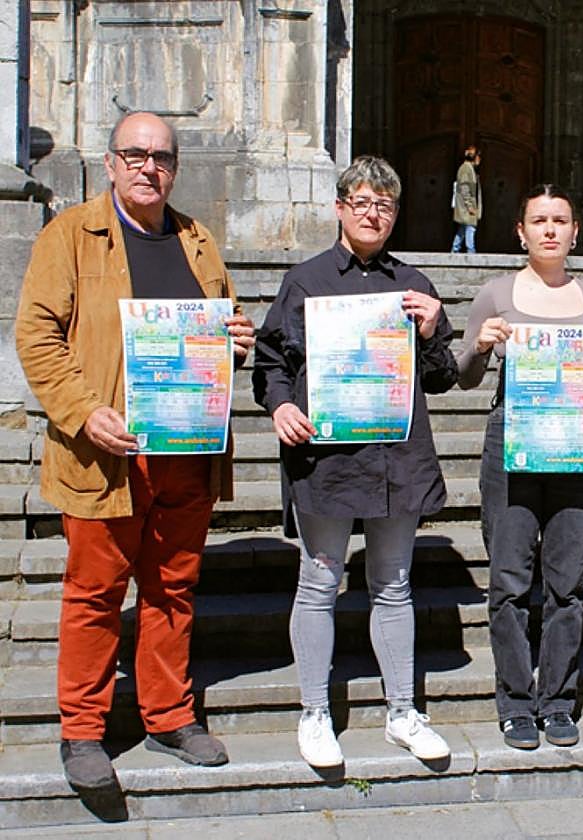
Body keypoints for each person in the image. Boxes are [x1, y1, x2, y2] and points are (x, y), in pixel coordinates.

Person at [14, 112, 256, 789]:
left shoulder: (197, 240)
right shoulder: (71, 235)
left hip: (186, 447)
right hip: (107, 451)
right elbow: (37, 337)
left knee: (173, 588)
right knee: (94, 592)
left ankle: (169, 715)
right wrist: (83, 412)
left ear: (176, 168)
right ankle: (83, 731)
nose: (150, 167)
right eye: (136, 154)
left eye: (163, 157)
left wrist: (237, 336)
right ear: (112, 161)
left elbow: (227, 319)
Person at [252, 156, 455, 767]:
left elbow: (444, 377)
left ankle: (402, 712)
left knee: (393, 584)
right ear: (340, 208)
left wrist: (433, 329)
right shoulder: (306, 281)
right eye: (362, 202)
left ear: (396, 215)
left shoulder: (414, 285)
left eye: (385, 205)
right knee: (320, 582)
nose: (373, 213)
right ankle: (314, 712)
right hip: (329, 457)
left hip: (396, 456)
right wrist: (281, 408)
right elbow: (270, 363)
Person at [458, 184, 583, 750]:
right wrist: (481, 346)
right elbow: (463, 375)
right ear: (521, 231)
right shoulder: (495, 293)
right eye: (540, 220)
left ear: (575, 232)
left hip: (575, 448)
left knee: (567, 583)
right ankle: (514, 700)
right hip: (510, 443)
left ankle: (556, 700)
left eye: (561, 220)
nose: (550, 230)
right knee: (509, 580)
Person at [451, 146, 483, 253]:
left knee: (463, 229)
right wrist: (469, 206)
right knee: (470, 227)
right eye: (478, 156)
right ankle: (471, 251)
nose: (479, 159)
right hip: (466, 207)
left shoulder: (470, 169)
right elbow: (465, 188)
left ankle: (455, 249)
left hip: (467, 206)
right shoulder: (465, 169)